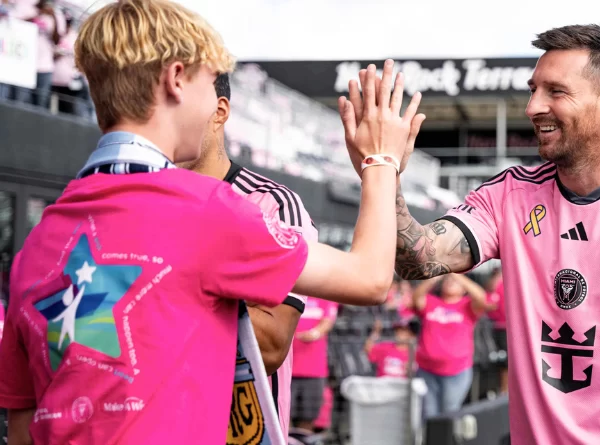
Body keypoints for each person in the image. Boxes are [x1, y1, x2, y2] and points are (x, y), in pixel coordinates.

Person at [0, 1, 422, 444]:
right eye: (209, 81)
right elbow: (371, 279)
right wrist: (380, 159)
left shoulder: (39, 241)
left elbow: (24, 432)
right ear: (176, 79)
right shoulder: (207, 210)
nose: (217, 107)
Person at [342, 24, 600, 444]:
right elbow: (417, 258)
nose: (533, 107)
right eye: (534, 90)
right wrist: (382, 169)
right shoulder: (508, 195)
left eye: (556, 91)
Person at [176, 72, 314, 443]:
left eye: (181, 101)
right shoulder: (141, 200)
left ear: (219, 112)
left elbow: (269, 345)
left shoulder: (272, 204)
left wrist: (163, 292)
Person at [411, 273, 488, 418]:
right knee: (428, 414)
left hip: (456, 371)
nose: (450, 282)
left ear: (464, 288)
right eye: (447, 280)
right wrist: (436, 275)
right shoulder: (431, 302)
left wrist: (455, 273)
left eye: (455, 281)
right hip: (426, 370)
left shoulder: (467, 305)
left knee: (449, 414)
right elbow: (416, 298)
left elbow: (481, 297)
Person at [290, 297, 337, 433]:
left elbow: (328, 321)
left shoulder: (325, 297)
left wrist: (314, 334)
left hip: (314, 370)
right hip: (285, 369)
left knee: (308, 418)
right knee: (282, 415)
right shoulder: (289, 293)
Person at [484, 268, 508, 394]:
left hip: (509, 329)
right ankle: (503, 391)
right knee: (502, 361)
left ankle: (506, 390)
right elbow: (489, 305)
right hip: (497, 328)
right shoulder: (495, 287)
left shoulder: (507, 284)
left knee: (508, 362)